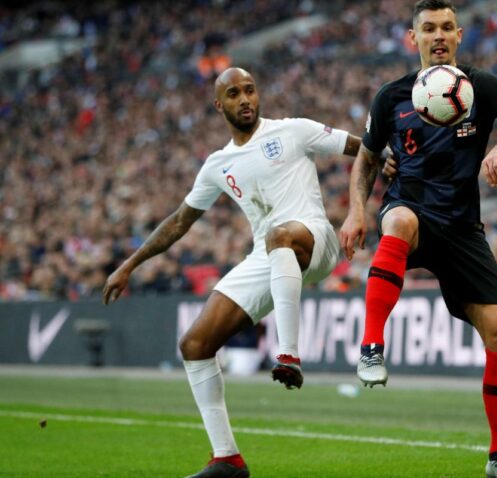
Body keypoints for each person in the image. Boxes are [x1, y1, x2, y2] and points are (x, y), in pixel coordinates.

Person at [103, 67, 361, 478]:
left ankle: (289, 353)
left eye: (250, 90)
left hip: (315, 239)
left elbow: (360, 148)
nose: (245, 99)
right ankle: (227, 460)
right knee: (195, 344)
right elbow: (178, 222)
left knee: (279, 235)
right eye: (234, 93)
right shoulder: (217, 164)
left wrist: (372, 188)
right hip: (269, 253)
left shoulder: (294, 130)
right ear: (218, 104)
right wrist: (129, 264)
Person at [339, 1, 497, 477]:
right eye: (428, 28)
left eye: (447, 28)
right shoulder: (390, 96)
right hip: (410, 208)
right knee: (400, 222)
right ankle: (372, 345)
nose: (438, 35)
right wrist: (356, 212)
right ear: (412, 39)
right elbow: (367, 158)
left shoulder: (483, 87)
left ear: (460, 35)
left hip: (461, 227)